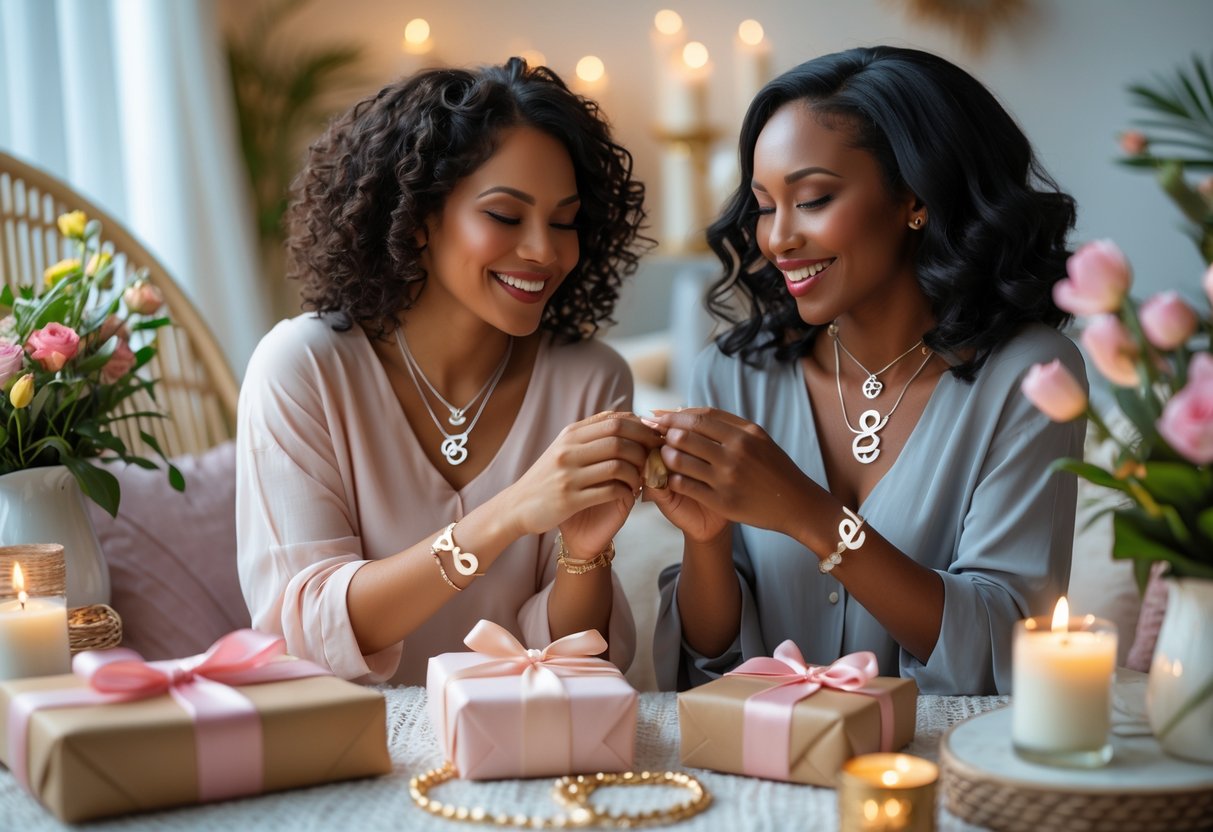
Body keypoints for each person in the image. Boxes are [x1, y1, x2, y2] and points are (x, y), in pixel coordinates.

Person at [647, 46, 1086, 695]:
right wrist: (705, 540)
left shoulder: (1031, 376)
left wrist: (810, 515)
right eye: (765, 205)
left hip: (940, 774)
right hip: (761, 770)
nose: (777, 239)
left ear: (916, 197)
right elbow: (704, 667)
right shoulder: (733, 374)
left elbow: (1009, 646)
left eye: (813, 198)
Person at [236, 58, 657, 685]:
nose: (544, 250)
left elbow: (577, 658)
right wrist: (510, 512)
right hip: (352, 746)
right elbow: (310, 629)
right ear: (419, 218)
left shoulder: (590, 380)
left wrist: (583, 553)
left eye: (564, 221)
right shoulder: (303, 368)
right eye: (506, 216)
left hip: (521, 740)